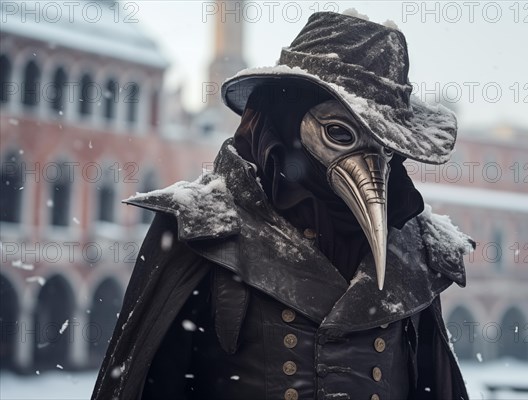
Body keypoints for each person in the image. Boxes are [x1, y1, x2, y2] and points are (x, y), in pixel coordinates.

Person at [92, 11, 474, 400]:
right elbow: (149, 380)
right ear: (285, 118)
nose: (370, 170)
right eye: (340, 133)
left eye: (384, 149)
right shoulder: (203, 228)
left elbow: (429, 383)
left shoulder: (411, 251)